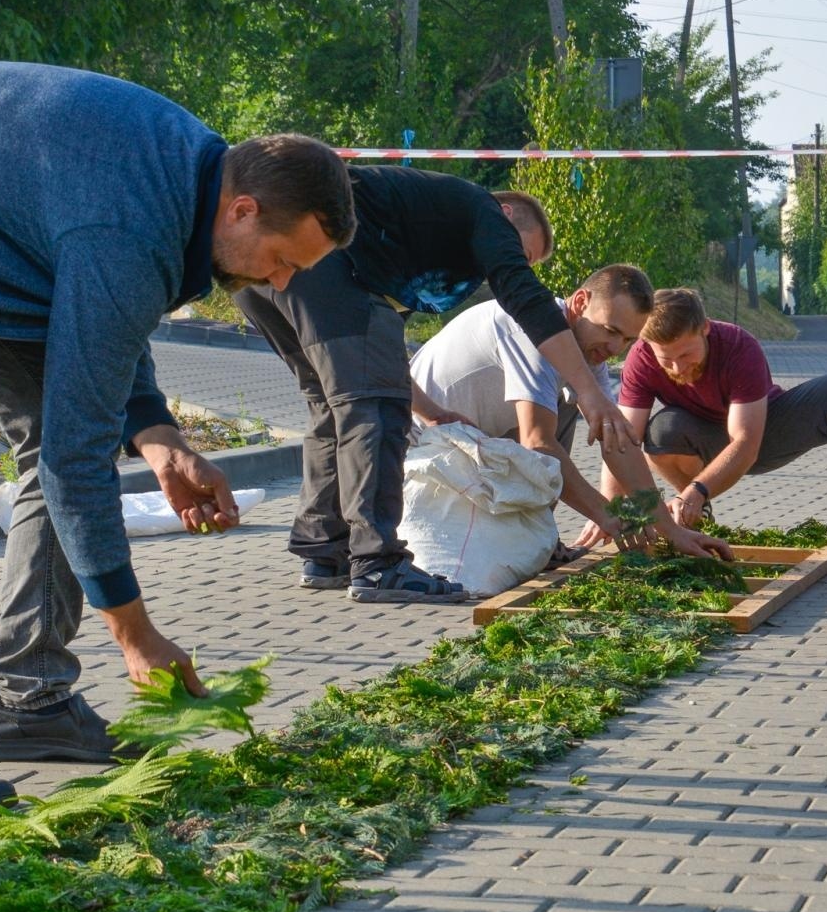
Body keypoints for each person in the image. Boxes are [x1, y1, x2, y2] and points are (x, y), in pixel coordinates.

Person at [0, 62, 355, 817]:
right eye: (283, 261)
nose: (279, 285)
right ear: (243, 210)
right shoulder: (135, 217)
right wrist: (135, 634)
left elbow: (100, 323)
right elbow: (75, 455)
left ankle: (33, 702)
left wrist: (156, 432)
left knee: (57, 430)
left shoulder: (186, 189)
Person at [236, 167, 637, 604]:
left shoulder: (412, 251)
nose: (513, 264)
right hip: (308, 252)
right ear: (506, 214)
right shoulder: (484, 213)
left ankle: (325, 553)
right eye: (521, 253)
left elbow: (384, 358)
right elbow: (523, 295)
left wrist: (429, 410)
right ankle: (377, 563)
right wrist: (589, 392)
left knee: (330, 402)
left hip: (261, 255)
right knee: (376, 409)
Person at [408, 264, 731, 560]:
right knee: (545, 426)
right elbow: (538, 444)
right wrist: (608, 514)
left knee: (565, 409)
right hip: (418, 444)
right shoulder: (530, 328)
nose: (615, 349)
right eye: (610, 330)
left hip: (474, 443)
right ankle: (532, 541)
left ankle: (537, 540)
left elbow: (617, 440)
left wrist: (670, 530)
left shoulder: (588, 352)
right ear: (580, 303)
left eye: (627, 339)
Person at [598, 288, 827, 552]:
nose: (678, 367)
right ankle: (695, 513)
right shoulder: (642, 358)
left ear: (704, 328)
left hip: (764, 433)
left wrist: (698, 490)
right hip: (704, 438)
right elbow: (622, 437)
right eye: (667, 360)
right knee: (663, 430)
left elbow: (745, 442)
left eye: (686, 354)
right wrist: (609, 510)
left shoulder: (738, 346)